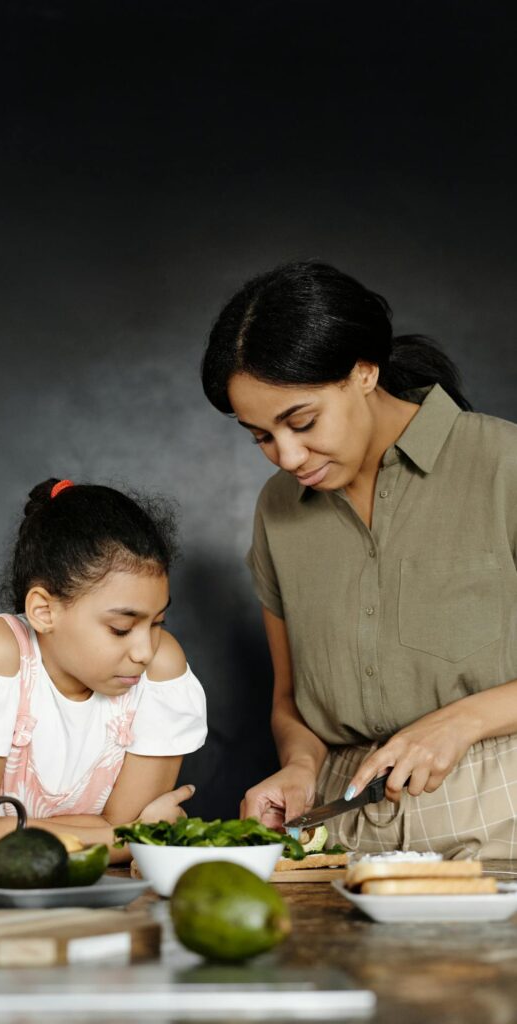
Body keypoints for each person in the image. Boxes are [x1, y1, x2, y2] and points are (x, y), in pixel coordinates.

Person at [202, 260, 517, 858]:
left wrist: (461, 721)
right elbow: (291, 700)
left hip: (503, 822)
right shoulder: (278, 510)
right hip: (341, 836)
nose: (287, 456)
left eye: (301, 421)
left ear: (364, 372)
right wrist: (298, 766)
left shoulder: (504, 464)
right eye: (262, 436)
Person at [0, 479, 207, 863]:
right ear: (44, 611)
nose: (145, 651)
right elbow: (132, 837)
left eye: (158, 622)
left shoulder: (162, 672)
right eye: (121, 629)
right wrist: (124, 837)